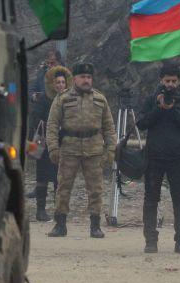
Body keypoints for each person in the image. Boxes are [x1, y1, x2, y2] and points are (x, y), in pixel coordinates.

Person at [46, 62, 116, 238]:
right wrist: (53, 148)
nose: (86, 80)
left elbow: (109, 127)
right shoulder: (62, 99)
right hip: (69, 148)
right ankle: (60, 224)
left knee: (96, 189)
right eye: (83, 77)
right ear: (75, 79)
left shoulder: (100, 99)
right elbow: (52, 125)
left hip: (93, 149)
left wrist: (110, 150)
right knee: (63, 187)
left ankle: (95, 225)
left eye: (89, 77)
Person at [136, 63, 180, 254]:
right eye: (167, 81)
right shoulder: (152, 99)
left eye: (174, 81)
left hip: (177, 157)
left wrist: (171, 109)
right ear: (161, 80)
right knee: (151, 199)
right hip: (155, 156)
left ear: (179, 81)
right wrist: (159, 108)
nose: (170, 84)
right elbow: (142, 123)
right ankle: (150, 240)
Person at [29, 65, 71, 221]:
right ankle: (40, 210)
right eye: (57, 82)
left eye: (62, 82)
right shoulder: (44, 99)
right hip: (44, 143)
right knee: (42, 176)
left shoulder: (69, 100)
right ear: (53, 84)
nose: (60, 85)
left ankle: (58, 210)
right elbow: (35, 118)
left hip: (62, 143)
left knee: (59, 177)